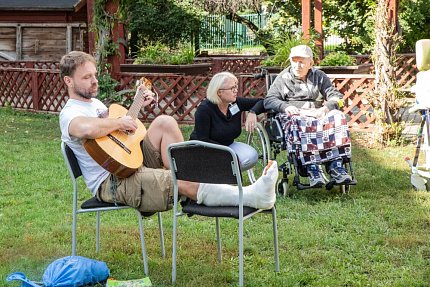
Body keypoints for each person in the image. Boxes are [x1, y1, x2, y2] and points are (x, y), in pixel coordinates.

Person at [59, 51, 278, 212]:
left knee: (165, 121)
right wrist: (120, 122)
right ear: (68, 81)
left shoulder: (95, 103)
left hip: (131, 161)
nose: (95, 81)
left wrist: (137, 106)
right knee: (179, 181)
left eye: (95, 75)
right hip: (113, 181)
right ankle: (251, 195)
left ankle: (189, 174)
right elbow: (86, 128)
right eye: (87, 77)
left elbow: (119, 137)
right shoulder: (70, 113)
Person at [264, 44, 352, 188]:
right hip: (295, 115)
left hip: (317, 114)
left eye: (302, 61)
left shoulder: (319, 76)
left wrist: (326, 108)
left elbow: (335, 95)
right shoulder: (283, 78)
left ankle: (336, 166)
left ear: (311, 63)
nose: (297, 65)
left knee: (337, 116)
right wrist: (285, 107)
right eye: (294, 60)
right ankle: (312, 167)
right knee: (300, 121)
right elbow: (269, 100)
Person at [190, 71, 265, 170]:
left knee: (251, 156)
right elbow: (203, 141)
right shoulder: (204, 109)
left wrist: (253, 112)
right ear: (219, 92)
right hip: (204, 150)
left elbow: (263, 102)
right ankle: (218, 172)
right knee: (232, 160)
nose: (236, 91)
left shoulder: (235, 103)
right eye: (232, 88)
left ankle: (228, 170)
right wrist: (228, 154)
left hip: (227, 145)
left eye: (236, 87)